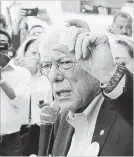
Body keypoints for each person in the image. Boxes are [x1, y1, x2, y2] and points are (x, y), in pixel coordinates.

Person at [38, 26, 133, 156]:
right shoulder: (62, 117)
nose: (53, 76)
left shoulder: (126, 115)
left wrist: (109, 73)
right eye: (47, 65)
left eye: (65, 62)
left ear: (95, 61)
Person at [16, 37, 52, 155]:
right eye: (33, 53)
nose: (37, 57)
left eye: (40, 54)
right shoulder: (14, 74)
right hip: (18, 129)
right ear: (24, 53)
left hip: (41, 130)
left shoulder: (49, 76)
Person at [0, 31, 31, 156]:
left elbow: (18, 101)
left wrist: (1, 80)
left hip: (10, 140)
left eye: (3, 43)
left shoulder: (21, 73)